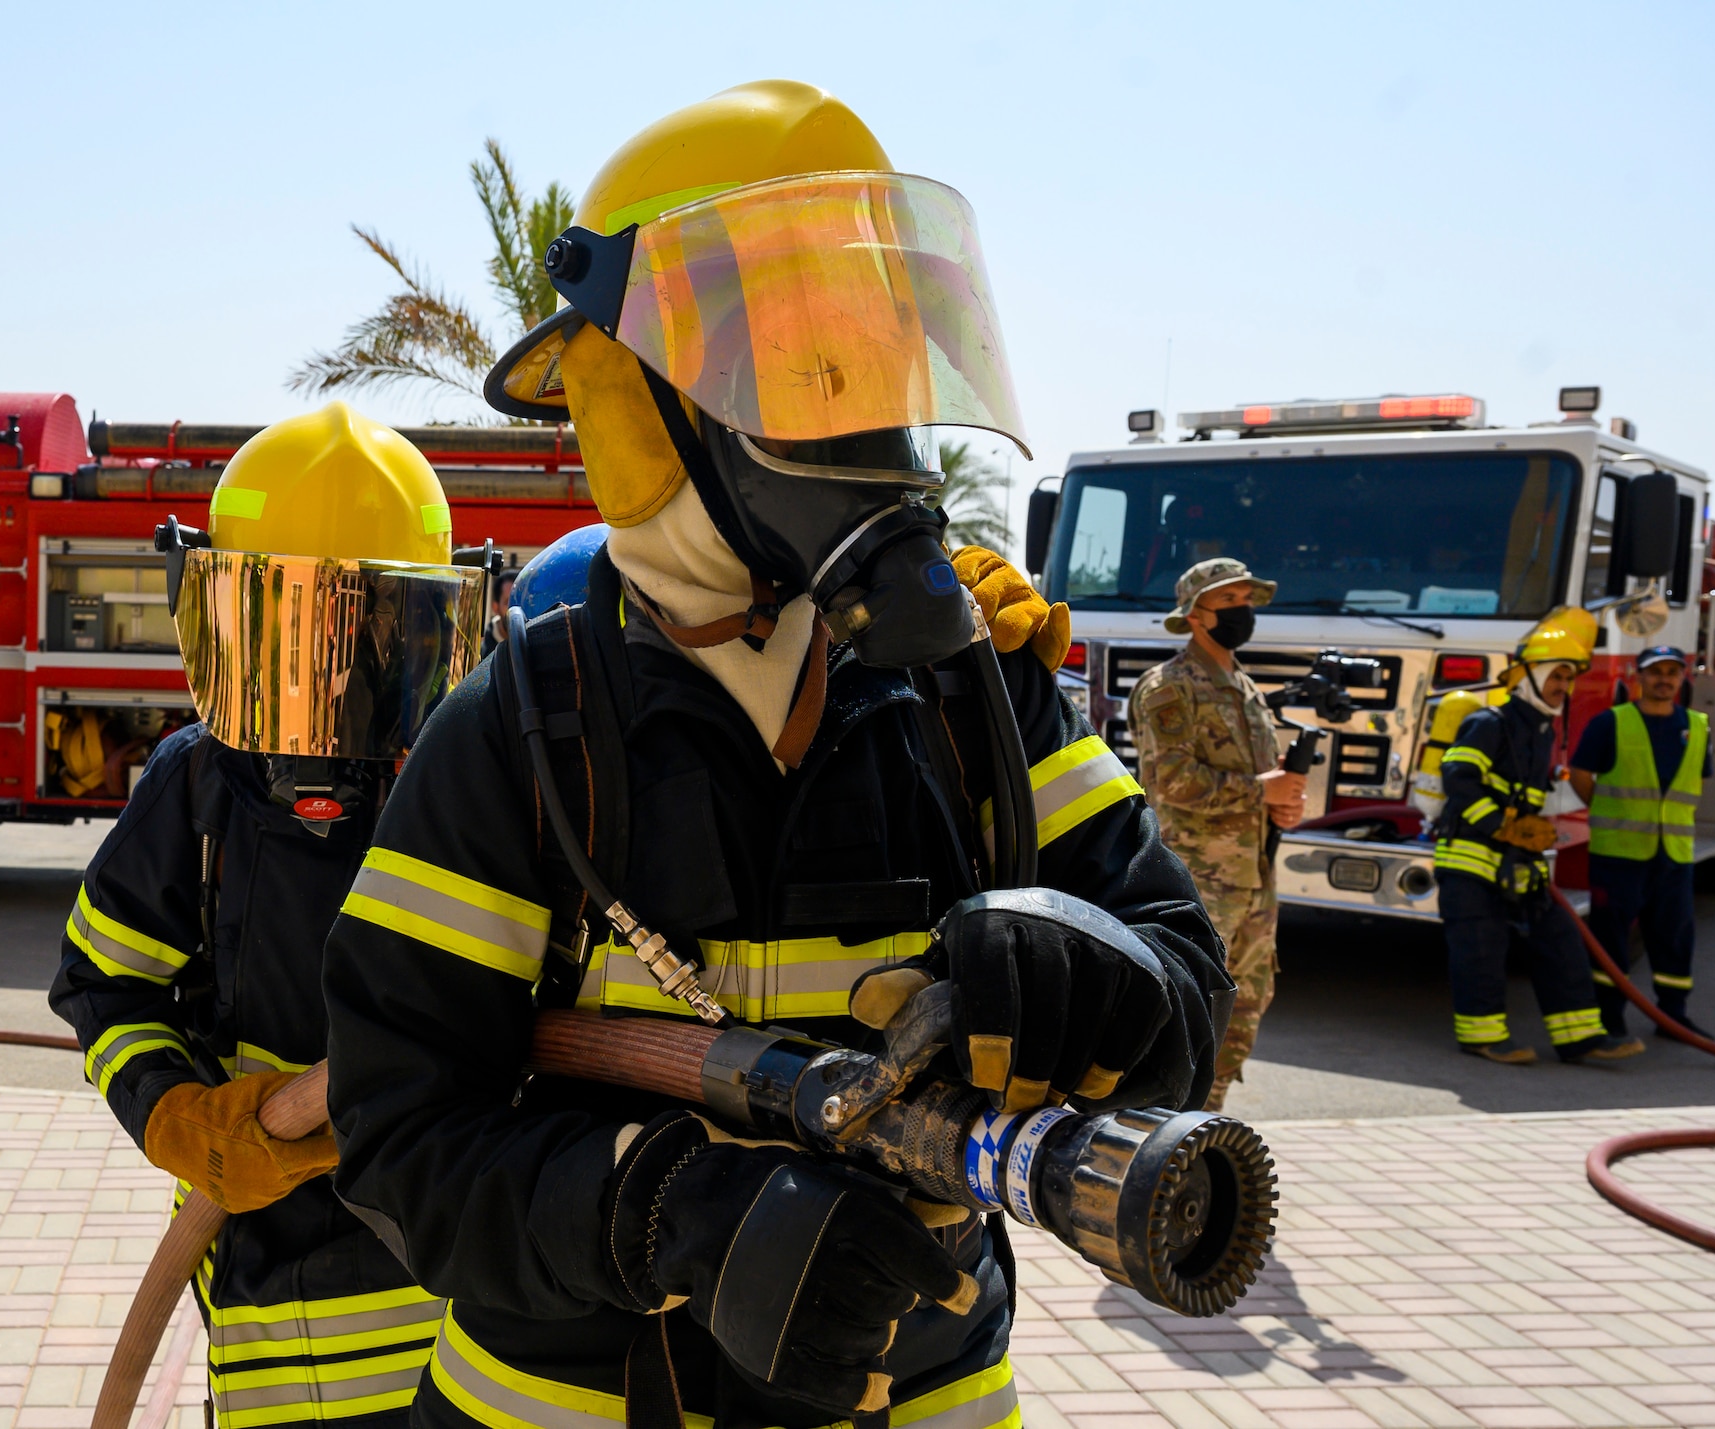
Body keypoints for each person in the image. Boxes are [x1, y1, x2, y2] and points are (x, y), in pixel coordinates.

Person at [319, 81, 1231, 1429]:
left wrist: (1125, 986)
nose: (845, 412)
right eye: (794, 360)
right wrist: (664, 1212)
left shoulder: (973, 695)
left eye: (861, 355)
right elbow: (403, 1139)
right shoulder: (519, 730)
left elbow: (1189, 989)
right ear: (621, 392)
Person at [50, 403, 487, 1427]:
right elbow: (102, 983)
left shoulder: (466, 785)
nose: (332, 680)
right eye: (289, 633)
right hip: (264, 1267)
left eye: (374, 635)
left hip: (452, 1246)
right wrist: (176, 1114)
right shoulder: (195, 789)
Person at [1128, 558, 1305, 1111]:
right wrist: (1261, 790)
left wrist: (1282, 806)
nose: (1242, 611)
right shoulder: (1169, 687)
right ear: (1196, 615)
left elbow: (1262, 778)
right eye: (1229, 602)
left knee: (1247, 1007)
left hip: (1254, 881)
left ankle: (1207, 1124)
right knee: (1192, 1011)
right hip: (1200, 886)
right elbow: (1170, 781)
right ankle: (1161, 1131)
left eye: (1247, 599)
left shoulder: (1245, 687)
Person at [1432, 607, 1645, 1065]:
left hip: (1517, 860)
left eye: (1568, 679)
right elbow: (1460, 778)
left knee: (1561, 940)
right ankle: (1482, 1037)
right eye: (1556, 675)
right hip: (1469, 861)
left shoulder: (1542, 731)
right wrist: (1503, 825)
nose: (1563, 687)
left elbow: (1533, 795)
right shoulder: (1490, 724)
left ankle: (1580, 1038)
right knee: (1482, 951)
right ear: (1528, 675)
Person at [1567, 645, 1713, 1038]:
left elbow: (1696, 781)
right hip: (1618, 853)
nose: (1664, 679)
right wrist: (1608, 812)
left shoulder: (1698, 726)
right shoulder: (1610, 723)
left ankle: (1673, 1016)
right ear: (1638, 676)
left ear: (1682, 678)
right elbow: (1580, 773)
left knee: (1674, 936)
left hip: (1674, 855)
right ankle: (1609, 1016)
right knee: (1610, 938)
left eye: (1672, 672)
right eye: (1655, 672)